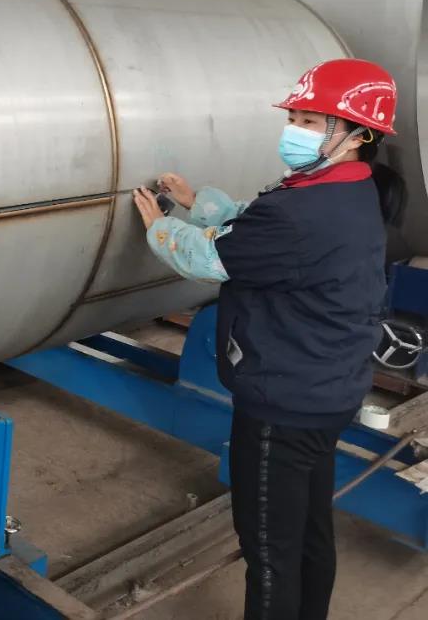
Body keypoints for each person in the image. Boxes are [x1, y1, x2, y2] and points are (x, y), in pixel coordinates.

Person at [132, 58, 406, 620]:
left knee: (269, 554)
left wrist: (161, 226)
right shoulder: (350, 188)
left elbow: (212, 257)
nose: (294, 131)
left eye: (311, 122)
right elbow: (256, 225)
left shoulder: (306, 211)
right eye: (295, 118)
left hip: (283, 406)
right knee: (308, 532)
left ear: (358, 134)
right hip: (328, 390)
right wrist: (199, 203)